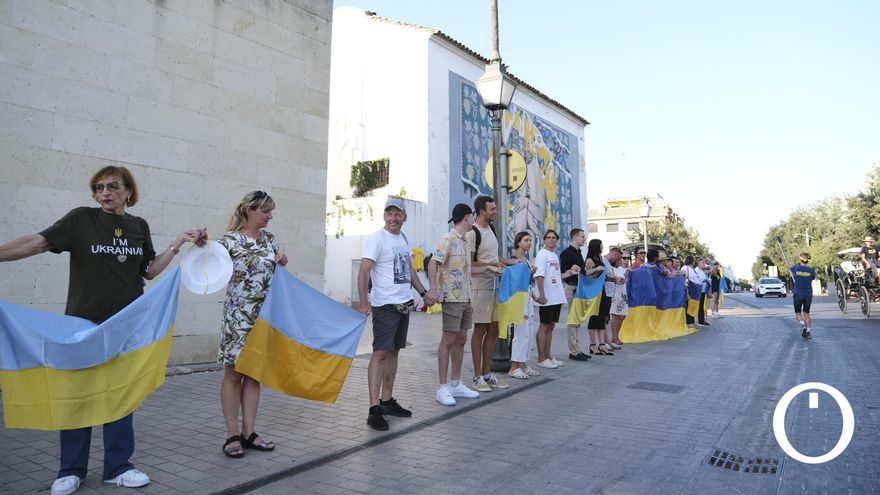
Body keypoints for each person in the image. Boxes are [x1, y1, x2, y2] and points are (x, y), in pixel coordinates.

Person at [0, 166, 207, 495]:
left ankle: (119, 467)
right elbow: (37, 243)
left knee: (120, 396)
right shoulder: (81, 219)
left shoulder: (138, 226)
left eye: (113, 186)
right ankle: (71, 470)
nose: (105, 193)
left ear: (128, 192)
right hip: (83, 325)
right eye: (98, 188)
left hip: (126, 327)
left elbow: (150, 271)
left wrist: (178, 243)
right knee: (77, 395)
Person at [218, 191, 288, 458]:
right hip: (237, 318)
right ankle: (231, 434)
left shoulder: (270, 240)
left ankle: (249, 432)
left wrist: (283, 259)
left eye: (270, 212)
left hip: (263, 318)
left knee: (254, 374)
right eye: (265, 211)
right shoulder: (230, 241)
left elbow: (279, 268)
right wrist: (198, 242)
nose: (270, 216)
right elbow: (207, 259)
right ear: (250, 210)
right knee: (233, 374)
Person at [357, 198, 430, 431]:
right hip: (385, 306)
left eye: (397, 214)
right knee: (379, 353)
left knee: (394, 352)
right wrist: (363, 302)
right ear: (384, 216)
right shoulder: (377, 239)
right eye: (389, 213)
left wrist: (423, 292)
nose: (393, 218)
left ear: (404, 217)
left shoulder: (404, 239)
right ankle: (373, 408)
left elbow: (409, 270)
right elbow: (363, 270)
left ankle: (387, 400)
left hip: (403, 304)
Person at [427, 204, 499, 405]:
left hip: (466, 297)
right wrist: (433, 289)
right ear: (467, 218)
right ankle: (442, 388)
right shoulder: (448, 239)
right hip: (451, 297)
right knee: (448, 340)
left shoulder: (465, 242)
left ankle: (456, 383)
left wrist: (490, 269)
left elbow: (469, 271)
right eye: (471, 217)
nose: (472, 221)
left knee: (461, 338)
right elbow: (433, 262)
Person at [465, 196, 510, 391]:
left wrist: (512, 262)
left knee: (494, 327)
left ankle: (487, 373)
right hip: (480, 286)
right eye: (492, 209)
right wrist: (490, 266)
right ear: (482, 211)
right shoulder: (472, 233)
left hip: (495, 284)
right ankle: (477, 377)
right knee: (481, 329)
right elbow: (470, 263)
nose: (495, 211)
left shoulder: (491, 230)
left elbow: (493, 257)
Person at [534, 229, 579, 368]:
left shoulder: (553, 255)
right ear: (544, 239)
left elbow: (556, 276)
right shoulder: (542, 255)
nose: (551, 239)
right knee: (544, 325)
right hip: (547, 296)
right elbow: (539, 276)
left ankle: (549, 356)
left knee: (551, 326)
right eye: (549, 237)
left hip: (556, 296)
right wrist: (542, 294)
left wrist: (571, 272)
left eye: (554, 237)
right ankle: (542, 358)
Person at [508, 231, 541, 379]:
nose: (528, 243)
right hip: (518, 299)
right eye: (526, 240)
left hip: (527, 297)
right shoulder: (515, 259)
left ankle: (523, 363)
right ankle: (514, 366)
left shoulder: (526, 260)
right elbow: (515, 281)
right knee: (520, 333)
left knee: (528, 332)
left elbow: (528, 282)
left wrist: (536, 297)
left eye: (530, 240)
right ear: (518, 242)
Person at [559, 228, 590, 361]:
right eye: (582, 237)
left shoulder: (579, 253)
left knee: (577, 320)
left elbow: (583, 272)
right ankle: (573, 351)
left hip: (579, 288)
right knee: (573, 320)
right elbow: (563, 273)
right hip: (572, 288)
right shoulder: (567, 253)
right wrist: (571, 271)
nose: (584, 239)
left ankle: (577, 349)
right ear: (575, 237)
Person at [585, 240, 615, 355]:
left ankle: (602, 344)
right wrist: (596, 269)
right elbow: (586, 274)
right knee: (594, 318)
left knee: (602, 318)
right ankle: (592, 344)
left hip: (602, 291)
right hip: (593, 292)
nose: (602, 247)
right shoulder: (590, 260)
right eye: (601, 245)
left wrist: (611, 278)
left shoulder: (600, 259)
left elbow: (601, 276)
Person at [791, 252, 816, 339]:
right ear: (808, 261)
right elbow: (813, 278)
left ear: (800, 259)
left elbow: (790, 267)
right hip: (808, 294)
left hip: (798, 293)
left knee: (798, 313)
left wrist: (788, 263)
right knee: (807, 314)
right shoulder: (811, 270)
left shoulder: (795, 268)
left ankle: (802, 324)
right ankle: (808, 331)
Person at [609, 252, 629, 346]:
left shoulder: (621, 269)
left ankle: (617, 335)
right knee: (616, 315)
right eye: (620, 259)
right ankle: (614, 337)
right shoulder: (611, 269)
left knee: (622, 315)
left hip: (623, 293)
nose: (622, 260)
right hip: (616, 293)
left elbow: (623, 278)